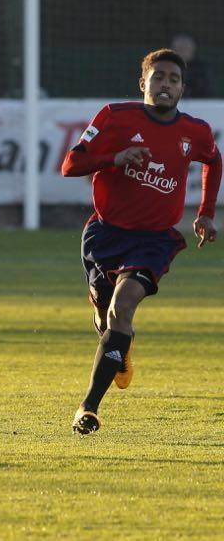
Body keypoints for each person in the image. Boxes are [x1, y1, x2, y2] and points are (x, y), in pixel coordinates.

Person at [61, 48, 221, 436]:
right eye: (158, 77)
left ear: (182, 87)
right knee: (107, 321)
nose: (165, 84)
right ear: (143, 83)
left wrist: (205, 213)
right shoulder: (115, 118)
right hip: (106, 234)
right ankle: (120, 342)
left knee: (123, 307)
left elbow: (214, 161)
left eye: (173, 79)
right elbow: (70, 166)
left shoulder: (194, 131)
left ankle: (88, 408)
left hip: (154, 240)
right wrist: (116, 157)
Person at [170, 33, 214, 98]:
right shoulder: (164, 66)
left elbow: (204, 92)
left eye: (185, 49)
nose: (182, 52)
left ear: (192, 50)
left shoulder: (201, 70)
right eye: (179, 49)